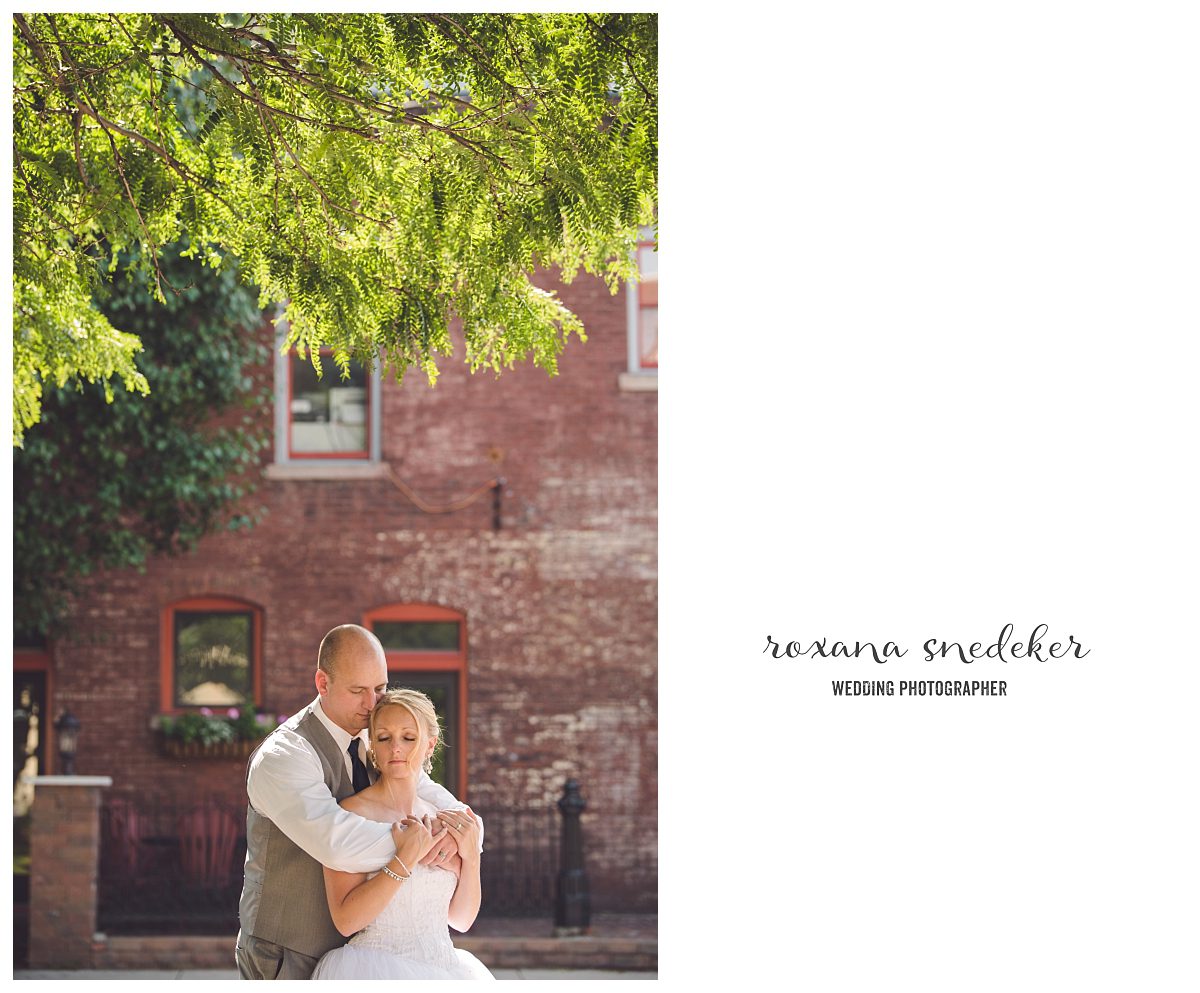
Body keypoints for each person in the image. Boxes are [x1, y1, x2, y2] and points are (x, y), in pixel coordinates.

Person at [236, 625, 478, 980]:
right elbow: (338, 842)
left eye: (380, 688)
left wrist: (462, 841)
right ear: (322, 683)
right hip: (287, 951)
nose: (372, 704)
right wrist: (423, 847)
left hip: (362, 953)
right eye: (358, 691)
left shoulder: (379, 742)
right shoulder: (284, 755)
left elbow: (460, 815)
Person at [312, 688, 492, 980]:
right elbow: (345, 921)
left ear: (430, 745)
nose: (396, 748)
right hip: (374, 971)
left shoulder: (444, 817)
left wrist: (471, 859)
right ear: (372, 746)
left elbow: (461, 920)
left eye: (409, 738)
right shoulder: (349, 815)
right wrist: (404, 860)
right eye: (384, 738)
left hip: (447, 970)